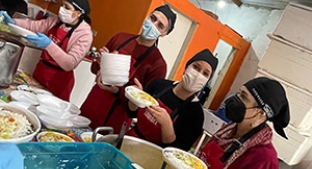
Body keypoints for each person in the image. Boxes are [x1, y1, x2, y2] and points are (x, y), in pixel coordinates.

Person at [80, 4, 177, 133]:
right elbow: (94, 69)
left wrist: (119, 91)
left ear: (164, 34)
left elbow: (142, 110)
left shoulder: (158, 64)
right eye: (153, 18)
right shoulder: (120, 38)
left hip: (115, 119)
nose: (153, 25)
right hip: (93, 102)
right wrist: (100, 62)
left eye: (160, 26)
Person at [126, 49, 219, 151]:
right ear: (186, 67)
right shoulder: (159, 85)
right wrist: (135, 97)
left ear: (207, 81)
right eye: (196, 67)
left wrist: (167, 125)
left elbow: (177, 153)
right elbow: (131, 112)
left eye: (205, 74)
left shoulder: (195, 114)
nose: (198, 75)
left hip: (153, 158)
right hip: (129, 141)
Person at [0, 0, 93, 101]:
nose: (61, 9)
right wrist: (13, 22)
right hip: (40, 72)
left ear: (78, 13)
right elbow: (33, 26)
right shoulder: (55, 21)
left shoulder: (85, 35)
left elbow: (69, 63)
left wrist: (49, 44)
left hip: (58, 81)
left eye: (66, 7)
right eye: (61, 5)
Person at [199, 77, 290, 169]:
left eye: (243, 97)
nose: (236, 98)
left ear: (260, 113)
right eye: (239, 93)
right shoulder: (229, 130)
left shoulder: (264, 159)